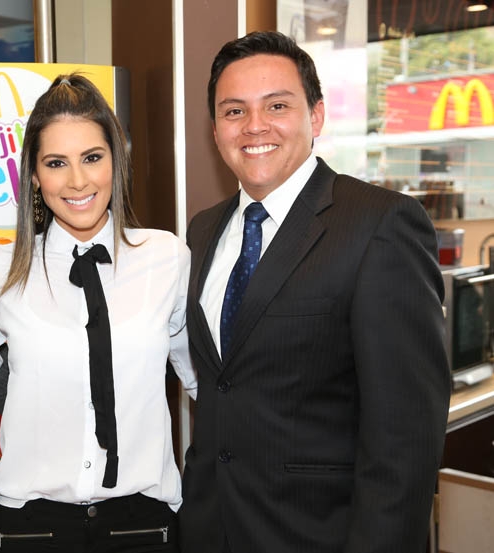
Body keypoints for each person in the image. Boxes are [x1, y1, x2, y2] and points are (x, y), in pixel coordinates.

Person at [180, 31, 450, 553]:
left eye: (277, 106)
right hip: (213, 530)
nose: (254, 125)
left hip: (322, 536)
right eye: (234, 111)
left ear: (317, 116)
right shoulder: (204, 230)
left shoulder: (379, 224)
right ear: (215, 130)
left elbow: (405, 438)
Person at [0, 73, 197, 553]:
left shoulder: (167, 258)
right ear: (34, 175)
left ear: (116, 160)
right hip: (32, 527)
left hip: (142, 525)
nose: (77, 181)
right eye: (56, 163)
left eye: (92, 158)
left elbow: (205, 382)